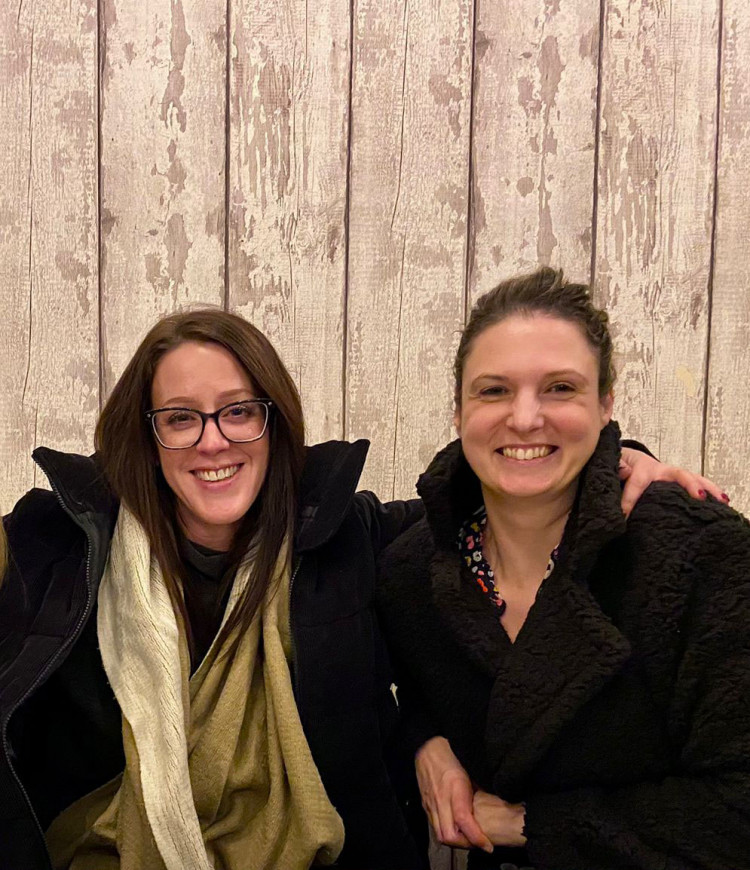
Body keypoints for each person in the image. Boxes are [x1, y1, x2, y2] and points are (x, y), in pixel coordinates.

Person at [0, 308, 721, 870]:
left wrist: (620, 461)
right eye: (181, 418)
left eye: (238, 410)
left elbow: (502, 499)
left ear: (274, 423)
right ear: (149, 437)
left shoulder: (346, 536)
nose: (213, 441)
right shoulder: (59, 546)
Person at [376, 267, 750, 870]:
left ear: (605, 405)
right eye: (494, 390)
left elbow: (738, 809)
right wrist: (425, 741)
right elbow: (414, 689)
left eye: (559, 388)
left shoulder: (701, 556)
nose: (525, 418)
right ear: (458, 411)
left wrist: (533, 825)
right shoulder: (414, 571)